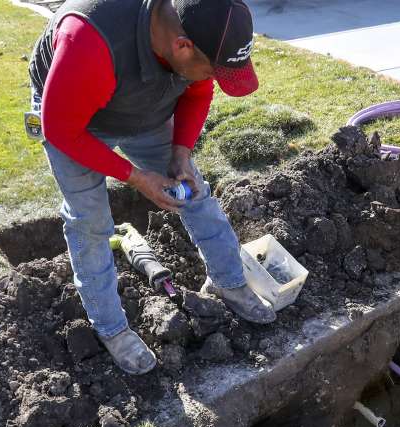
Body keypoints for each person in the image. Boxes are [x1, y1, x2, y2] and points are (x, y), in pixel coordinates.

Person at [28, 0, 273, 375]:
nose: (212, 78)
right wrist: (136, 177)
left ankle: (229, 282)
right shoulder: (88, 41)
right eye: (212, 69)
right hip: (75, 116)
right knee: (90, 221)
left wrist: (181, 152)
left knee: (192, 188)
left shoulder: (190, 32)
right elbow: (60, 129)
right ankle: (111, 329)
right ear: (182, 47)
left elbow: (197, 91)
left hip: (143, 105)